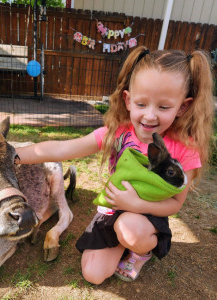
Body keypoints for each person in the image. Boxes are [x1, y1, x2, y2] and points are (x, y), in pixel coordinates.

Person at [15, 46, 214, 284]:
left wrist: (135, 204)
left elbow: (173, 204)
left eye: (163, 107)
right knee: (93, 274)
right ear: (128, 100)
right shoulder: (117, 133)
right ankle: (120, 237)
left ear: (182, 106)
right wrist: (12, 154)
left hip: (147, 215)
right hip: (114, 209)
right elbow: (62, 148)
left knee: (130, 228)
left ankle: (141, 252)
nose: (150, 116)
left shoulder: (185, 148)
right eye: (142, 104)